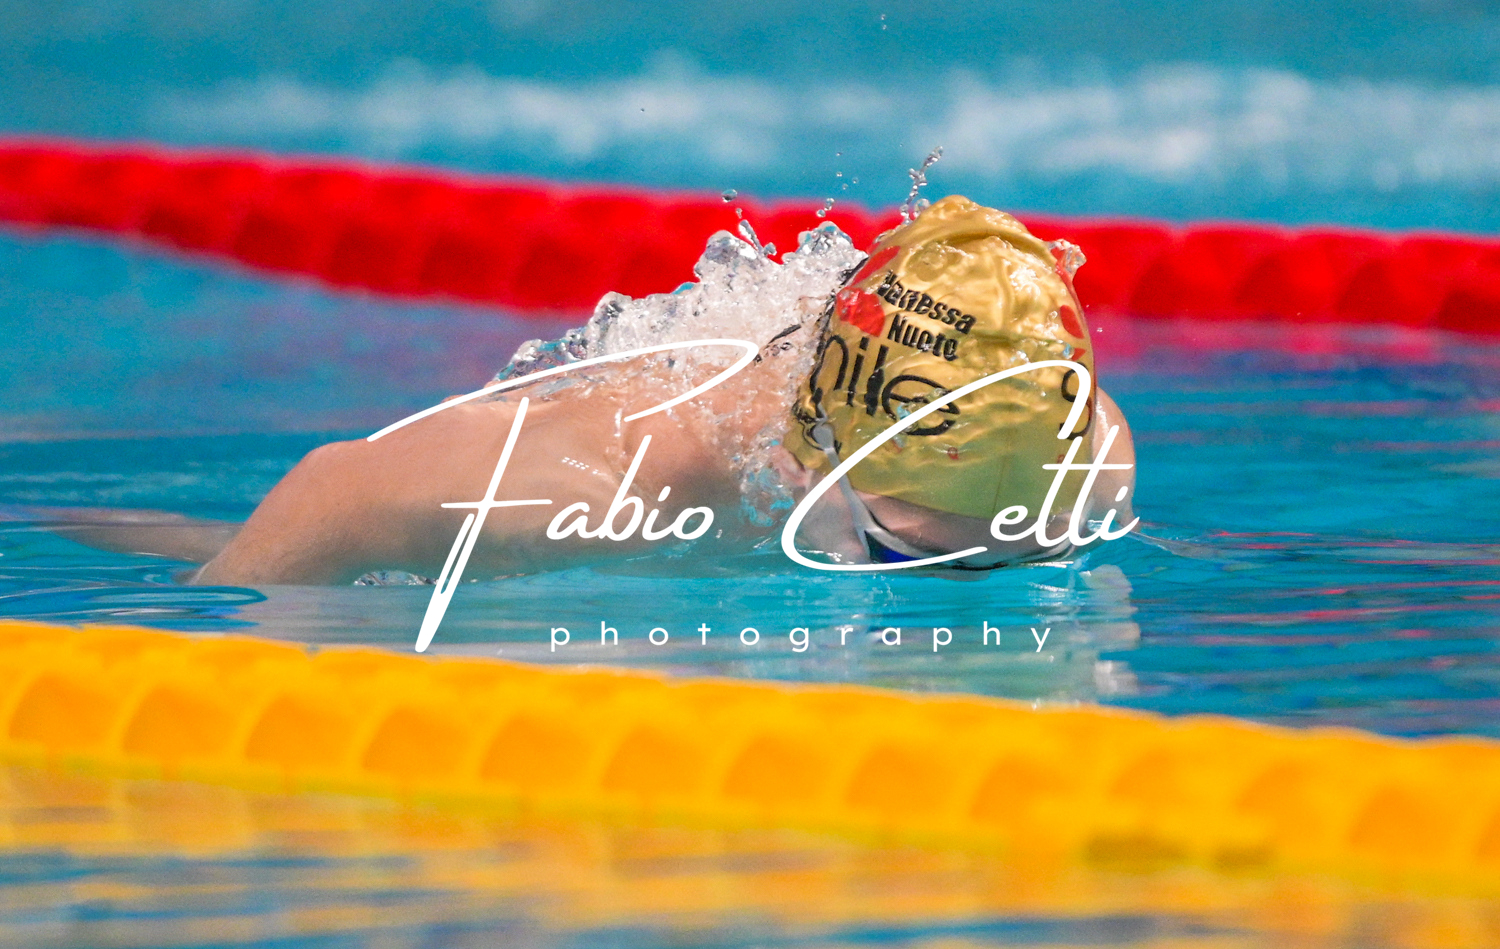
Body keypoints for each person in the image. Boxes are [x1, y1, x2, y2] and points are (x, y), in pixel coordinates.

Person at [66, 196, 1137, 584]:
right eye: (897, 553)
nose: (957, 581)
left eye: (1017, 544)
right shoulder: (629, 474)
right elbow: (335, 493)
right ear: (810, 457)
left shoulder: (1082, 454)